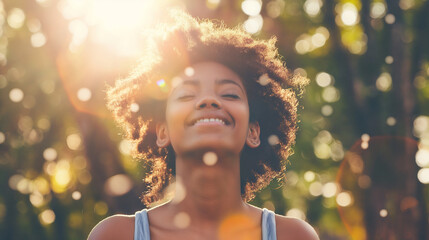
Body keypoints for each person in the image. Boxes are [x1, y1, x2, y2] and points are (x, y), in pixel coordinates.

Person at [88, 10, 318, 240]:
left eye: (229, 94)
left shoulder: (294, 235)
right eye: (187, 95)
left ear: (253, 131)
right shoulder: (115, 235)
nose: (209, 100)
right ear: (162, 131)